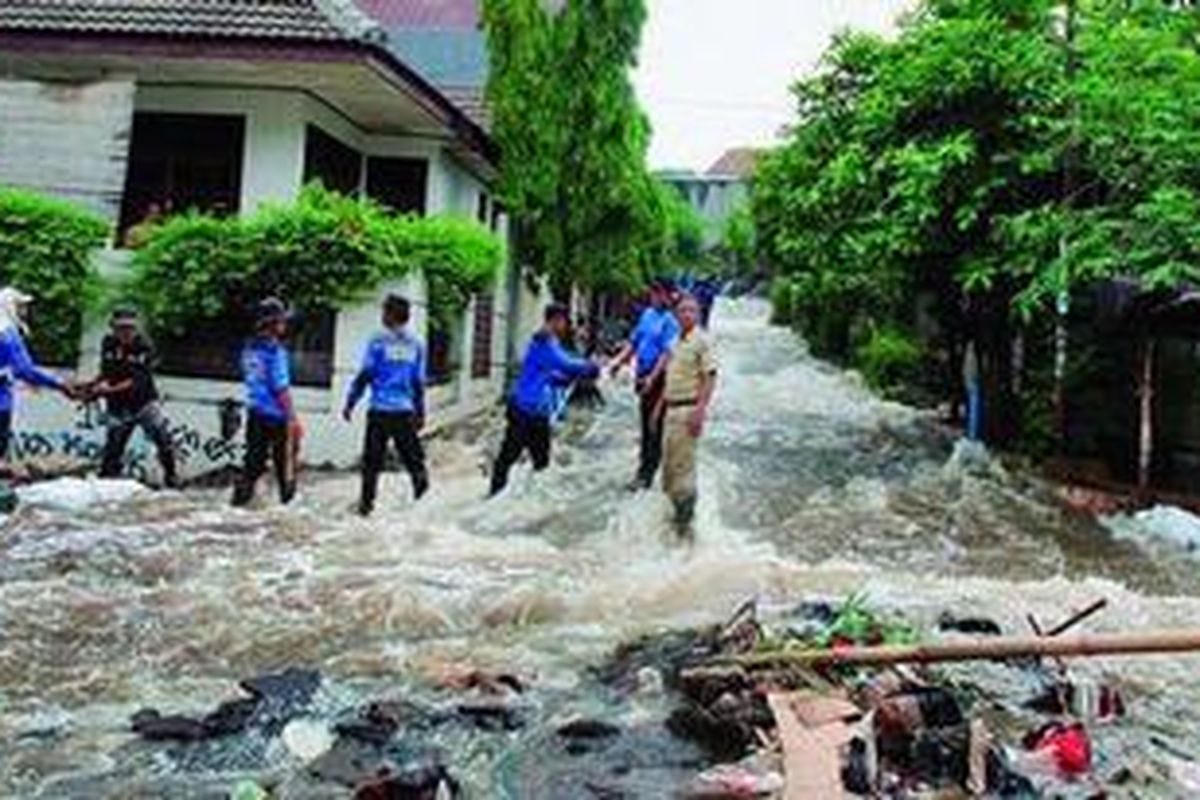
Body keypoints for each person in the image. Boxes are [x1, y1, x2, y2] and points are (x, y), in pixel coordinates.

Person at [490, 303, 599, 496]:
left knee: (541, 463)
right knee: (509, 457)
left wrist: (565, 379)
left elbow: (548, 372)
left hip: (538, 413)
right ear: (556, 320)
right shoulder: (544, 341)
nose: (566, 326)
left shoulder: (548, 341)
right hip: (524, 410)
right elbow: (565, 363)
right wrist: (590, 367)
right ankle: (494, 495)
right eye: (564, 321)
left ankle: (527, 500)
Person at [343, 294, 429, 516]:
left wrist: (351, 401)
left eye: (384, 310)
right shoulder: (416, 344)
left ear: (391, 314)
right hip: (404, 412)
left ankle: (365, 508)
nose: (382, 315)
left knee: (371, 464)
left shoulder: (378, 341)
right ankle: (424, 508)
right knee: (415, 463)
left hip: (379, 412)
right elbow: (418, 383)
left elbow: (366, 373)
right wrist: (421, 412)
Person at [89, 309, 178, 487]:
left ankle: (171, 476)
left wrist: (106, 390)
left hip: (143, 403)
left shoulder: (144, 346)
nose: (126, 333)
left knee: (162, 438)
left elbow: (136, 381)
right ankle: (107, 481)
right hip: (117, 405)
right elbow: (106, 371)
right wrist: (92, 385)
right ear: (113, 328)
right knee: (113, 446)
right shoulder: (108, 343)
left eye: (129, 328)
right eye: (121, 328)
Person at [609, 279, 680, 490]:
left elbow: (667, 354)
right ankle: (646, 469)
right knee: (645, 423)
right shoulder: (647, 315)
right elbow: (634, 342)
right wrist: (618, 362)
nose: (654, 297)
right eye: (653, 293)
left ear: (668, 296)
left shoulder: (670, 322)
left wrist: (652, 378)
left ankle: (646, 475)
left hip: (659, 378)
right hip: (642, 375)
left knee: (654, 425)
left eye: (658, 293)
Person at [232, 297, 302, 507]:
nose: (285, 324)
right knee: (285, 466)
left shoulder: (249, 349)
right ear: (273, 323)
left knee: (252, 465)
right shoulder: (275, 351)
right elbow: (280, 388)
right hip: (277, 416)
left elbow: (250, 378)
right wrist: (293, 419)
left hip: (255, 413)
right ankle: (287, 508)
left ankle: (237, 504)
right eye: (282, 320)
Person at [658, 293, 718, 535]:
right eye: (683, 310)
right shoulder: (675, 341)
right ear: (675, 314)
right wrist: (659, 408)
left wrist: (700, 411)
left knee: (684, 472)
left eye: (692, 310)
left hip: (688, 409)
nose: (687, 314)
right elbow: (670, 377)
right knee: (669, 470)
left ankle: (685, 529)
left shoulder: (702, 341)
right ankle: (675, 521)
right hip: (671, 409)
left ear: (699, 314)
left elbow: (710, 377)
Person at [0, 287, 76, 460]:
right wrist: (59, 383)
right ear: (9, 306)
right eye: (20, 306)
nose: (25, 311)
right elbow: (24, 369)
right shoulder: (7, 333)